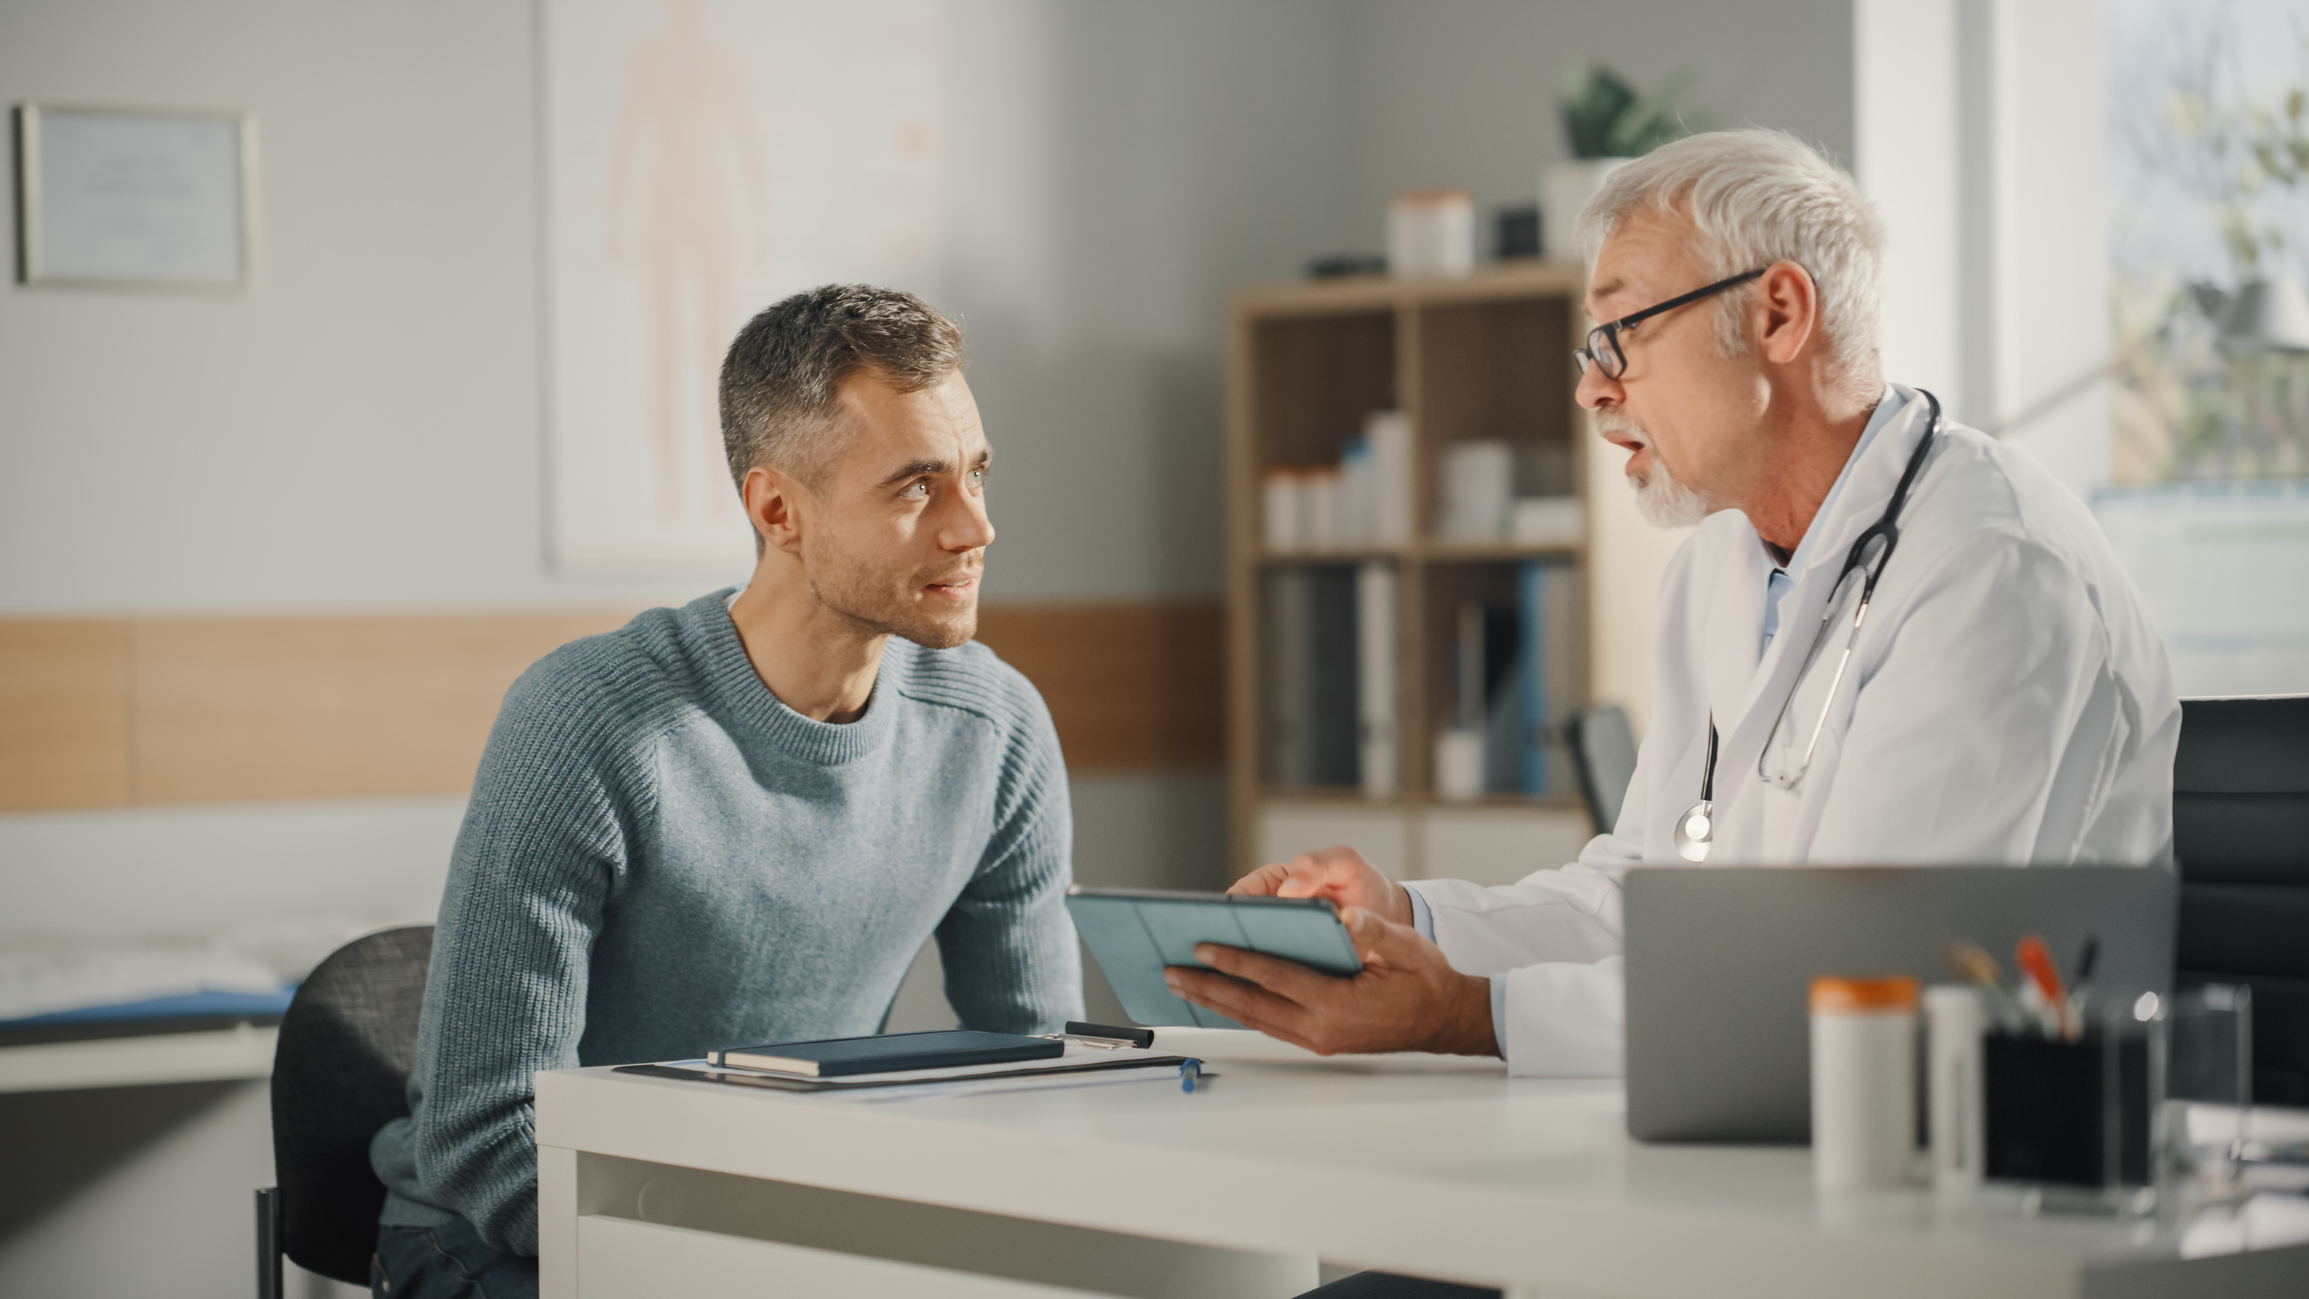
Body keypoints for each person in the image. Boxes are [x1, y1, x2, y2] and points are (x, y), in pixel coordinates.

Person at [1167, 130, 2177, 1298]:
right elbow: (1638, 891)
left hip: (1945, 1218)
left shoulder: (1996, 570)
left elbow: (1865, 992)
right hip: (1735, 1184)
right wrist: (1410, 921)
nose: (1591, 387)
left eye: (1621, 335)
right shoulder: (1720, 567)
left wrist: (1469, 1017)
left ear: (1777, 316)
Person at [367, 285, 1082, 1299]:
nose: (976, 528)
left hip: (777, 1234)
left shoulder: (994, 729)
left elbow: (1037, 1073)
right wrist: (760, 1253)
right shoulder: (587, 722)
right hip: (500, 1241)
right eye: (918, 486)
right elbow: (484, 1140)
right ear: (776, 510)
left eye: (976, 474)